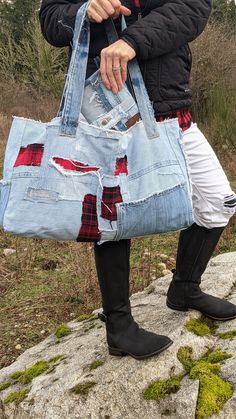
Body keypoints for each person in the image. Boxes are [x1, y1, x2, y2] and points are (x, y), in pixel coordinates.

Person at [39, 0, 236, 360]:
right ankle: (119, 326)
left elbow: (194, 8)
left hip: (170, 109)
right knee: (113, 218)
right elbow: (51, 20)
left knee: (218, 200)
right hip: (105, 111)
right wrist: (82, 10)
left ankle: (185, 289)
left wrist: (133, 40)